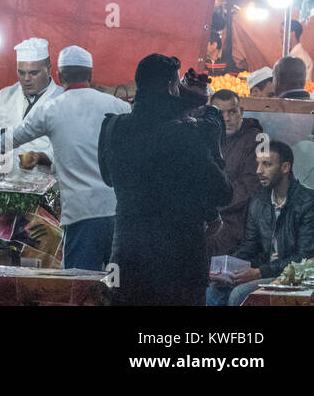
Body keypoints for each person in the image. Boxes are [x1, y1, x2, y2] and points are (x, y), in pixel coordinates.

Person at [98, 54, 232, 305]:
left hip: (127, 258)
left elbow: (108, 178)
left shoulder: (112, 127)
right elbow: (222, 192)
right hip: (180, 262)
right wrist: (210, 117)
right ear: (172, 87)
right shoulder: (186, 133)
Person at [9, 46, 130, 271]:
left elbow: (9, 139)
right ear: (90, 75)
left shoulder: (51, 109)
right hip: (119, 214)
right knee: (117, 285)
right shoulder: (120, 107)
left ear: (60, 76)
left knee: (81, 286)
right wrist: (45, 160)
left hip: (83, 216)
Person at [207, 141, 314, 305]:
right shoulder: (258, 202)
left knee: (238, 294)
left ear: (285, 168)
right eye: (258, 164)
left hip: (295, 275)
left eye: (267, 165)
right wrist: (226, 271)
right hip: (266, 271)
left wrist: (259, 272)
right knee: (214, 288)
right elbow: (250, 246)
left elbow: (304, 258)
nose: (258, 171)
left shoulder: (307, 202)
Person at [0, 37, 64, 172]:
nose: (26, 79)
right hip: (2, 181)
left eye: (33, 73)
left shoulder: (63, 101)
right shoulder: (6, 95)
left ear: (49, 69)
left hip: (42, 184)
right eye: (21, 72)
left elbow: (67, 152)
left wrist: (40, 157)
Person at [205, 88, 264, 256]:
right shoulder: (207, 137)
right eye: (220, 113)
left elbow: (254, 185)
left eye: (232, 112)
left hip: (237, 219)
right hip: (207, 215)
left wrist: (213, 205)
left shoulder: (260, 139)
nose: (227, 118)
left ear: (241, 112)